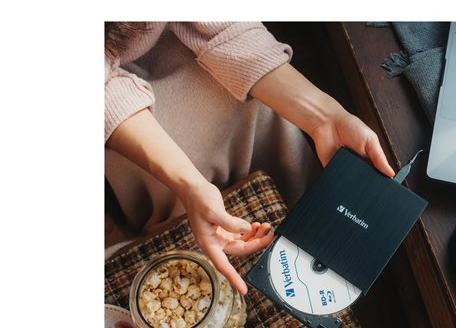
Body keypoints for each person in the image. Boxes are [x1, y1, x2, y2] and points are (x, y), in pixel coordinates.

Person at [105, 22, 394, 295]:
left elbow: (220, 23)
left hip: (160, 35)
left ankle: (296, 214)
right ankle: (184, 221)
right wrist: (191, 186)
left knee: (253, 104)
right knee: (188, 146)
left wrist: (324, 117)